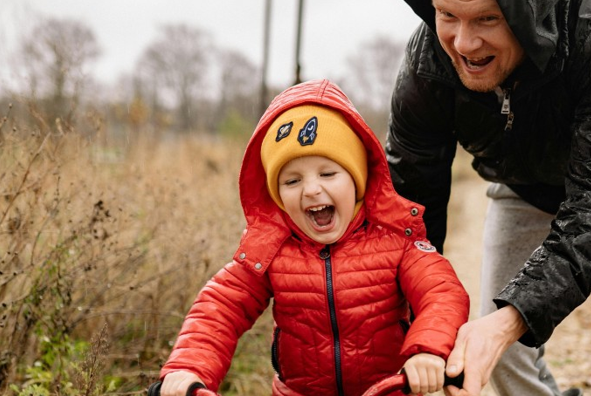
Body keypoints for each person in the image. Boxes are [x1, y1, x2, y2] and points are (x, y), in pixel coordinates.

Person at [386, 0, 591, 394]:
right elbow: (412, 209)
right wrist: (420, 331)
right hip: (523, 182)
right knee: (498, 341)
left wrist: (514, 318)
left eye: (486, 19)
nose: (463, 43)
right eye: (448, 15)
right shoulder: (427, 61)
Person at [156, 79, 469, 396]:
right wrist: (188, 367)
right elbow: (220, 308)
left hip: (386, 390)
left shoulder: (395, 238)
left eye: (328, 173)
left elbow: (442, 294)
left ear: (358, 178)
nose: (311, 189)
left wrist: (427, 348)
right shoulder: (272, 248)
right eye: (292, 180)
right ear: (276, 194)